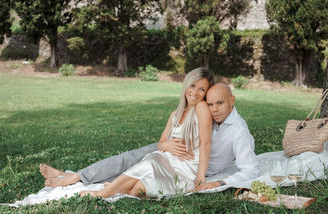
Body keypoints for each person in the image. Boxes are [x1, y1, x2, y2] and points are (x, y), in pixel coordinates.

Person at [40, 82, 259, 194]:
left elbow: (250, 170)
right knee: (126, 160)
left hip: (184, 165)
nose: (214, 109)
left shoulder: (239, 132)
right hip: (173, 153)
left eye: (219, 103)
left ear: (233, 100)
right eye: (210, 104)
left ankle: (78, 178)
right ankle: (73, 177)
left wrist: (219, 183)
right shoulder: (208, 115)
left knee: (133, 168)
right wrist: (166, 144)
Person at [78, 67, 214, 198]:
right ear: (186, 85)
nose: (195, 92)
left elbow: (206, 144)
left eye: (202, 89)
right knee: (151, 160)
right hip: (165, 161)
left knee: (139, 189)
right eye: (192, 85)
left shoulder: (201, 108)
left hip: (186, 170)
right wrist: (168, 146)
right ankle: (102, 194)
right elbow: (161, 143)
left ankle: (118, 188)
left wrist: (200, 179)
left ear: (206, 93)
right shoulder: (175, 114)